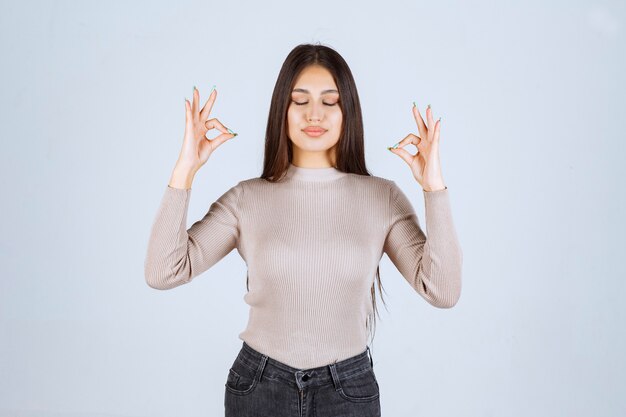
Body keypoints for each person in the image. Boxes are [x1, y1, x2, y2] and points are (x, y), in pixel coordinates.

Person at [144, 43, 463, 417]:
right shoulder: (247, 198)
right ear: (282, 109)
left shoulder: (382, 198)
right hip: (259, 387)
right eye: (300, 100)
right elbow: (163, 272)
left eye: (330, 101)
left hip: (348, 390)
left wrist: (433, 188)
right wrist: (184, 171)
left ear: (348, 113)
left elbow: (442, 291)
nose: (315, 114)